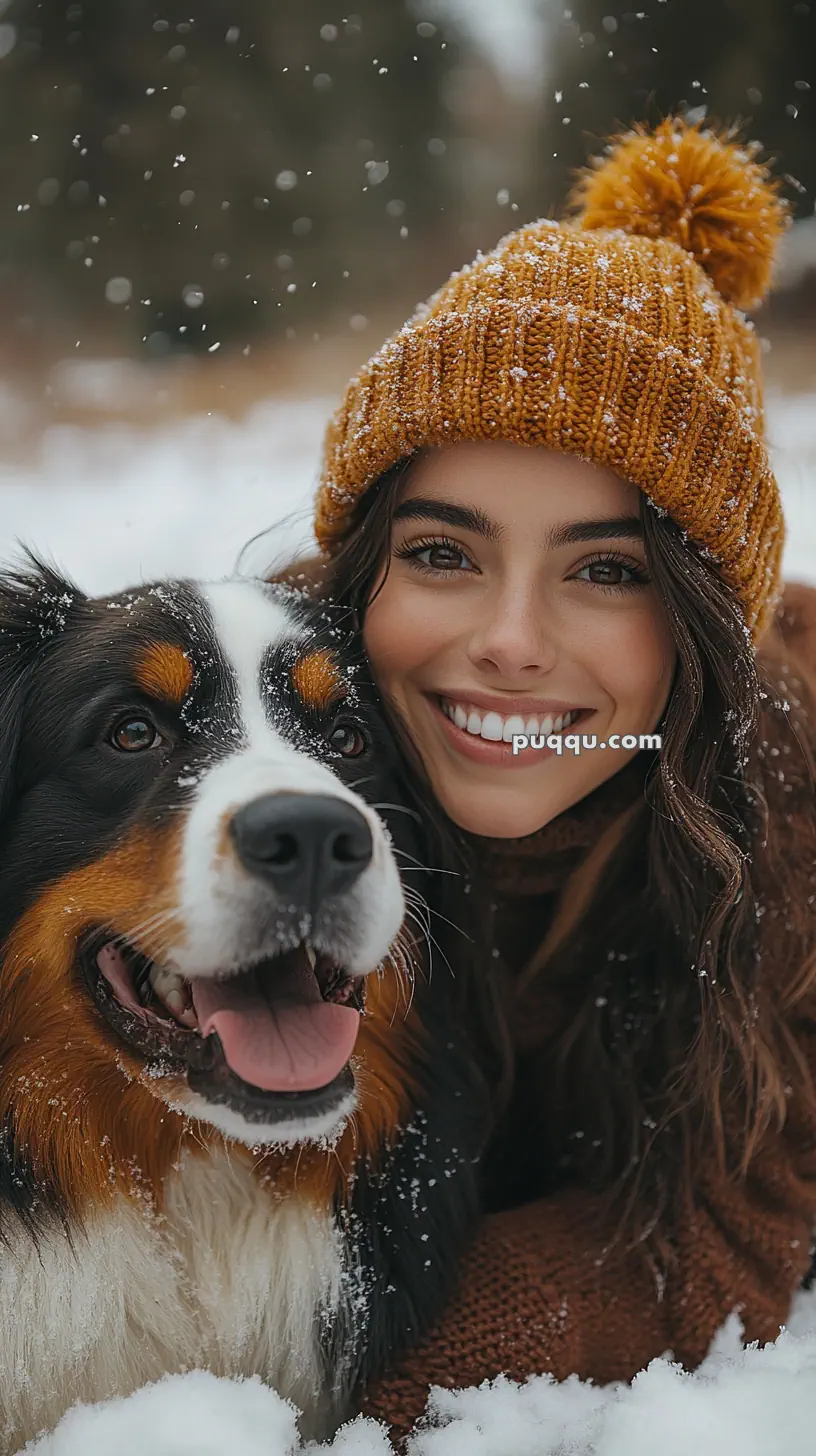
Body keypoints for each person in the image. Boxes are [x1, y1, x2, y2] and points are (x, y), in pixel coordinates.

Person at [280, 119, 816, 1436]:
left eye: (606, 570)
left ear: (699, 627)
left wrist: (349, 1373)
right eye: (445, 554)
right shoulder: (270, 732)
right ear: (362, 577)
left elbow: (710, 1242)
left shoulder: (785, 823)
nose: (511, 643)